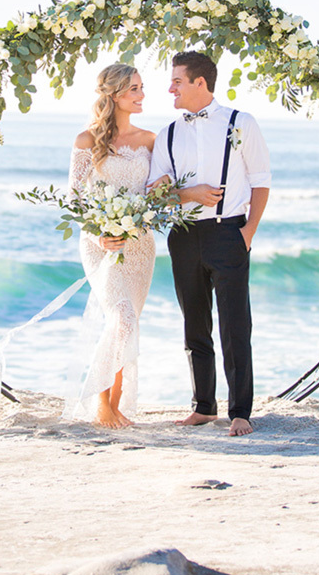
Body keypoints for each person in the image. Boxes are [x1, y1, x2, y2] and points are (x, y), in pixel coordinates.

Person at [148, 51, 271, 436]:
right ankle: (203, 406)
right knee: (194, 324)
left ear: (200, 83)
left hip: (227, 231)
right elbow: (157, 195)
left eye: (177, 81)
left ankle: (240, 412)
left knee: (235, 324)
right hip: (183, 236)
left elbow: (261, 180)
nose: (170, 88)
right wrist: (190, 193)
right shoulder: (168, 132)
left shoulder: (241, 122)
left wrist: (248, 232)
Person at [66, 63, 156, 428]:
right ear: (115, 95)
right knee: (120, 319)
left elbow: (156, 193)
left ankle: (116, 405)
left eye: (141, 87)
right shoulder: (87, 141)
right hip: (100, 244)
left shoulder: (150, 140)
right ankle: (101, 403)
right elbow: (75, 199)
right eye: (134, 89)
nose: (141, 95)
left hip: (139, 245)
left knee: (129, 325)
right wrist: (97, 234)